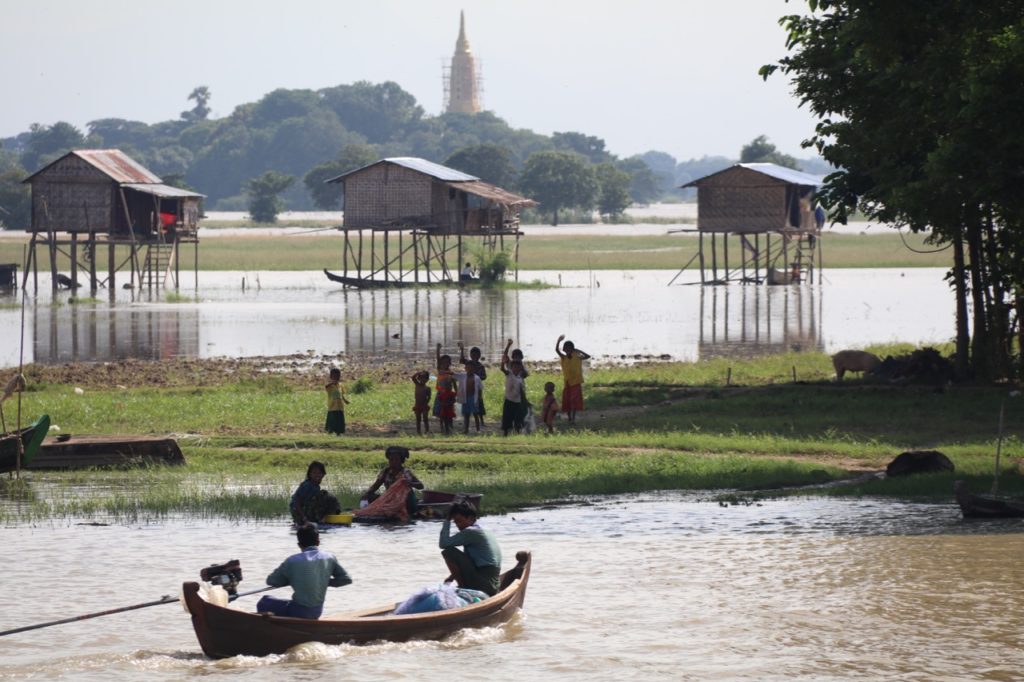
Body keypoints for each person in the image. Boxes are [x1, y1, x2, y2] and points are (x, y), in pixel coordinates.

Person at [256, 523, 352, 619]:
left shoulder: (292, 561)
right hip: (317, 611)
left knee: (264, 601)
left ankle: (272, 630)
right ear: (318, 542)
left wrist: (291, 579)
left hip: (299, 611)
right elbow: (346, 579)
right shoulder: (330, 557)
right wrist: (324, 581)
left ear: (299, 545)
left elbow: (271, 581)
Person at [439, 500, 502, 596]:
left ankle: (463, 588)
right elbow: (472, 561)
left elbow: (443, 543)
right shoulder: (483, 529)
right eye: (455, 522)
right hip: (493, 584)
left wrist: (447, 520)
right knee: (456, 553)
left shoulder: (470, 532)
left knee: (448, 552)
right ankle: (464, 587)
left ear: (471, 518)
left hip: (484, 585)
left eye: (459, 521)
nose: (457, 525)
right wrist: (451, 578)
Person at [361, 445, 424, 516]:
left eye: (396, 460)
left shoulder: (406, 472)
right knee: (369, 497)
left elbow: (421, 486)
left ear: (401, 461)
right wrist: (366, 494)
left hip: (404, 501)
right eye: (391, 460)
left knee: (404, 500)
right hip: (389, 499)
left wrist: (411, 483)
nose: (393, 462)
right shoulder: (386, 472)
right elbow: (376, 486)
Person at [555, 334, 591, 424]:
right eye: (565, 348)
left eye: (569, 348)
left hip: (576, 382)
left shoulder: (577, 356)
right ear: (564, 349)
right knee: (567, 401)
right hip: (567, 382)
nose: (567, 350)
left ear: (572, 349)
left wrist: (578, 350)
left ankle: (573, 418)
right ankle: (570, 417)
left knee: (573, 401)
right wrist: (559, 341)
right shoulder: (564, 357)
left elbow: (587, 356)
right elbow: (556, 350)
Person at [458, 342, 487, 433]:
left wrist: (477, 377)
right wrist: (462, 349)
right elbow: (461, 360)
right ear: (470, 355)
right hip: (468, 391)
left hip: (477, 389)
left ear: (479, 356)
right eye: (473, 354)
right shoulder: (468, 362)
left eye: (476, 354)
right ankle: (467, 427)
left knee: (478, 406)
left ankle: (481, 422)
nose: (474, 356)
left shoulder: (480, 366)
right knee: (467, 410)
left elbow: (484, 377)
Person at [499, 354, 527, 436]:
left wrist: (524, 400)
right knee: (507, 418)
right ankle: (505, 433)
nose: (516, 368)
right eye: (514, 367)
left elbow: (522, 391)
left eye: (518, 367)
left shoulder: (520, 378)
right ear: (511, 367)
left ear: (520, 368)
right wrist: (503, 362)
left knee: (518, 419)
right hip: (508, 400)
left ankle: (517, 432)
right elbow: (502, 369)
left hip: (517, 401)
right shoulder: (509, 374)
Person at [434, 344, 457, 435]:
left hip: (449, 394)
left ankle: (450, 426)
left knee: (449, 412)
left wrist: (456, 392)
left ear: (450, 363)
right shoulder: (440, 370)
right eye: (443, 362)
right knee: (441, 412)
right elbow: (438, 359)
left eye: (447, 362)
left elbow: (454, 383)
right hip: (441, 394)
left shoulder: (450, 373)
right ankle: (442, 428)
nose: (445, 364)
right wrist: (438, 350)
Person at [324, 367, 350, 435]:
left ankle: (339, 432)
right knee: (332, 420)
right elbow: (326, 387)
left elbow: (341, 394)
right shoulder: (330, 386)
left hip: (340, 406)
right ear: (331, 377)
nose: (336, 378)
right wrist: (332, 383)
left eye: (338, 376)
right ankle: (330, 431)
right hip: (332, 406)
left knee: (339, 420)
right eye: (334, 376)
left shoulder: (340, 385)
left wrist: (345, 400)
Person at [411, 370, 431, 435]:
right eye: (421, 378)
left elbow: (429, 397)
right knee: (418, 419)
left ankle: (427, 431)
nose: (423, 380)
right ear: (419, 378)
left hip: (424, 405)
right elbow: (413, 377)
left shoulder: (428, 388)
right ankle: (418, 431)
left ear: (427, 379)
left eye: (425, 378)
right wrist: (418, 373)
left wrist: (426, 402)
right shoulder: (417, 384)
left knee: (425, 418)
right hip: (417, 405)